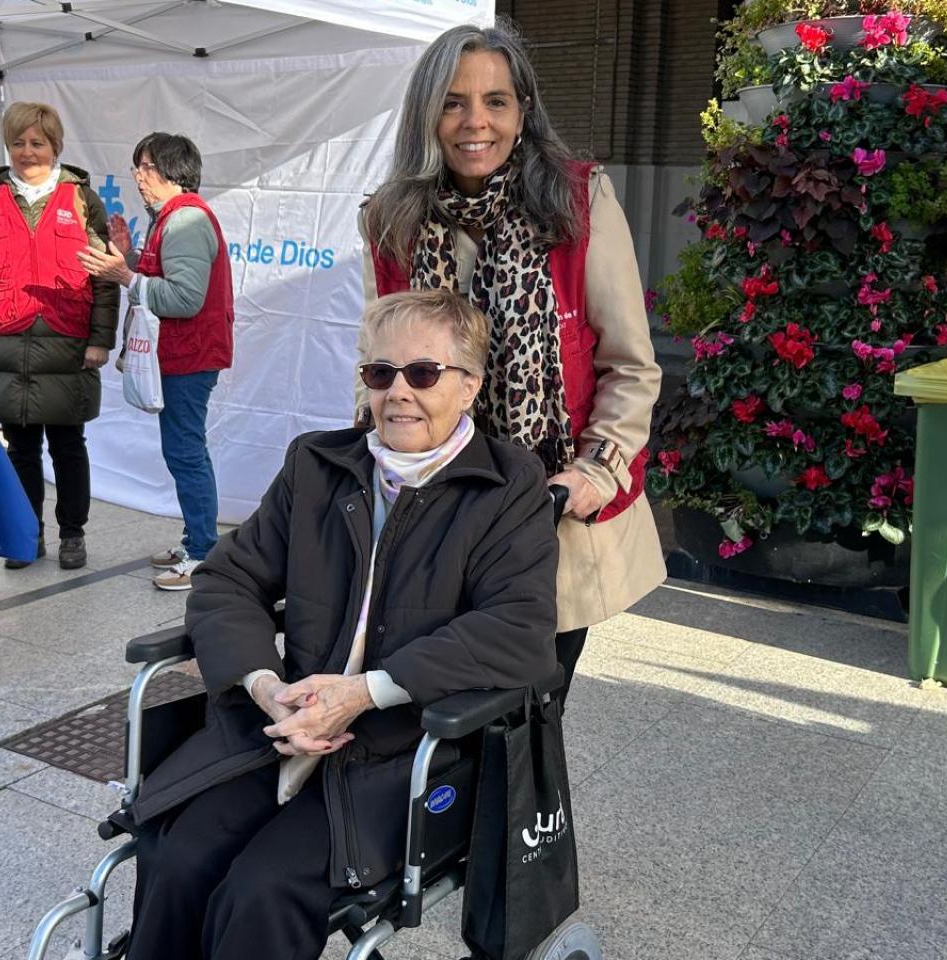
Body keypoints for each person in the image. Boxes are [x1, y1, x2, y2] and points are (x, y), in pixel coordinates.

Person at [119, 289, 557, 960]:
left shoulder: (507, 487)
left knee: (264, 888)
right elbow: (228, 579)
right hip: (278, 726)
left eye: (423, 373)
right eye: (381, 374)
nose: (398, 393)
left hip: (400, 753)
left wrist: (364, 692)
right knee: (178, 854)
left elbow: (519, 629)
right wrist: (264, 684)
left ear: (468, 386)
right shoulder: (318, 466)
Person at [359, 22, 664, 691]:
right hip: (432, 516)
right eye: (453, 101)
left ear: (524, 109)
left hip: (547, 520)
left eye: (496, 100)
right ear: (426, 114)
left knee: (527, 719)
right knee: (436, 719)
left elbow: (631, 367)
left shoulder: (579, 202)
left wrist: (596, 471)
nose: (476, 122)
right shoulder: (391, 221)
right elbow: (378, 370)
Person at [0, 101, 116, 571]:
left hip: (66, 338)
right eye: (19, 142)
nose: (28, 152)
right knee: (20, 448)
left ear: (55, 146)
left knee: (68, 446)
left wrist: (99, 340)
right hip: (5, 339)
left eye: (37, 143)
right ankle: (29, 534)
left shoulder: (82, 199)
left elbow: (105, 276)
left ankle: (72, 534)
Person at [79, 132, 234, 592]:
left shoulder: (184, 219)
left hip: (190, 356)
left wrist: (123, 274)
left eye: (144, 167)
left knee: (186, 453)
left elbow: (184, 299)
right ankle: (196, 540)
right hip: (184, 356)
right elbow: (164, 280)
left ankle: (204, 552)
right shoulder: (171, 217)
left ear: (169, 169)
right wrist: (127, 257)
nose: (137, 177)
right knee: (184, 451)